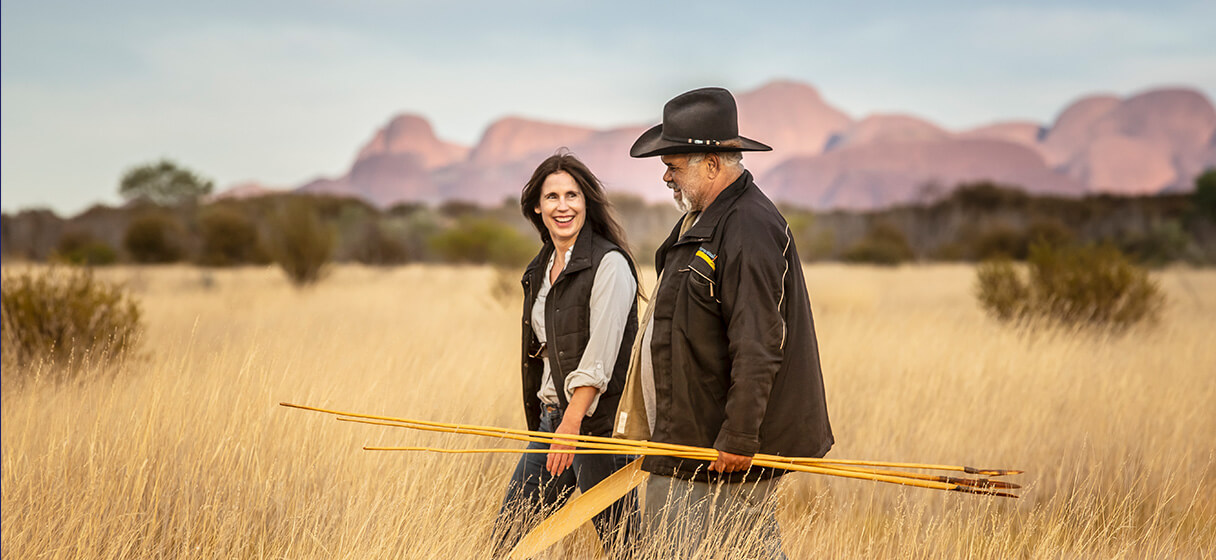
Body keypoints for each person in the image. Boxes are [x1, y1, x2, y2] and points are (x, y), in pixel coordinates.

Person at [614, 87, 834, 558]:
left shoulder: (750, 225)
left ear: (712, 164)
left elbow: (758, 343)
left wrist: (739, 436)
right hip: (688, 439)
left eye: (673, 166)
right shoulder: (703, 219)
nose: (666, 177)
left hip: (722, 450)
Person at [493, 152, 640, 558]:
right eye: (552, 196)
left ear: (586, 202)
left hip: (596, 430)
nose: (563, 206)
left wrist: (572, 423)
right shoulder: (539, 268)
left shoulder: (610, 265)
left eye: (572, 195)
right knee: (508, 539)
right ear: (536, 207)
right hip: (551, 424)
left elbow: (600, 356)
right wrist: (554, 425)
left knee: (625, 547)